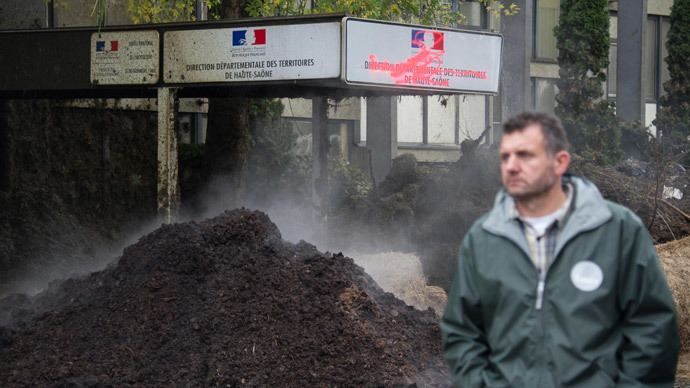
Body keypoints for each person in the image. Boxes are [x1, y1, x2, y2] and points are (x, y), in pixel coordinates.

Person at [441, 111, 679, 387]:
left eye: (526, 156)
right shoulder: (484, 237)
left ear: (560, 162)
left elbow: (653, 329)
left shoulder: (618, 231)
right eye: (506, 157)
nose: (512, 167)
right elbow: (463, 332)